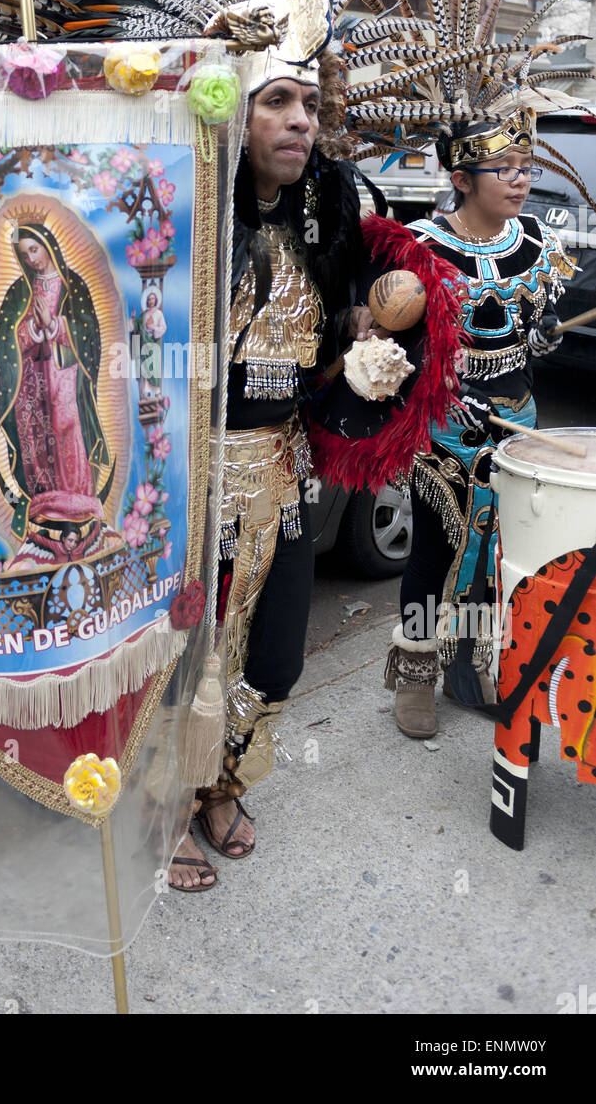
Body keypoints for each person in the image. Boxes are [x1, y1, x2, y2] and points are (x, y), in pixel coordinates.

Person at [169, 48, 374, 889]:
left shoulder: (326, 213)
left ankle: (222, 784)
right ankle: (164, 808)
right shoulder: (178, 212)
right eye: (277, 101)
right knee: (186, 655)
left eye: (310, 105)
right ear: (228, 113)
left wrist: (363, 356)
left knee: (274, 655)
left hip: (283, 472)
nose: (300, 121)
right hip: (189, 480)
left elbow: (325, 351)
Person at [386, 110, 575, 737]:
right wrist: (432, 380)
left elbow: (530, 329)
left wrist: (539, 336)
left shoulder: (532, 238)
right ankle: (414, 673)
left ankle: (469, 666)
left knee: (499, 548)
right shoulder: (421, 246)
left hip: (518, 419)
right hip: (446, 427)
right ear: (462, 178)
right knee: (439, 551)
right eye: (505, 171)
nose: (520, 181)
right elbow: (388, 341)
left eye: (525, 169)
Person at [0, 220, 114, 553]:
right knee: (37, 443)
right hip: (30, 384)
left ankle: (80, 508)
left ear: (48, 245)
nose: (31, 259)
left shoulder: (73, 286)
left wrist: (57, 325)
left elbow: (89, 335)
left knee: (67, 433)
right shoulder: (19, 292)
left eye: (35, 249)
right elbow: (4, 341)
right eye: (24, 254)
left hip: (64, 377)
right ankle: (45, 513)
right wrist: (31, 328)